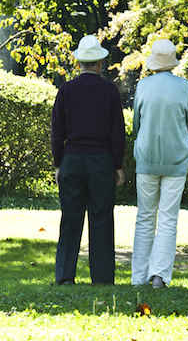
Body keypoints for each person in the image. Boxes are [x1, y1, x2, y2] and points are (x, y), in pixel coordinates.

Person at [51, 34, 126, 285]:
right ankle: (102, 277)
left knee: (70, 218)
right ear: (100, 63)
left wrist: (58, 163)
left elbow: (57, 131)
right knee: (102, 218)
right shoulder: (110, 91)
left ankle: (64, 275)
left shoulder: (66, 90)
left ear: (79, 63)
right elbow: (117, 132)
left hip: (72, 158)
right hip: (101, 160)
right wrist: (118, 164)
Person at [131, 39, 188, 289]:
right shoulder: (184, 86)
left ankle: (138, 277)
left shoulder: (143, 86)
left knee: (145, 217)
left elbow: (137, 123)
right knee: (169, 218)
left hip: (147, 158)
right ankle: (159, 276)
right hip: (176, 159)